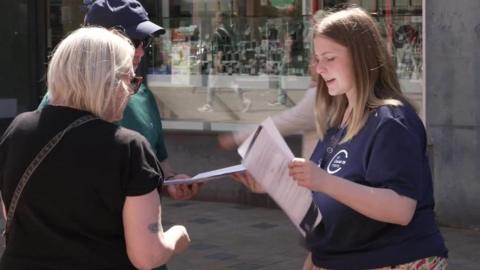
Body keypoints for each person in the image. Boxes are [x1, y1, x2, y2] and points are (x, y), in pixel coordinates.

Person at [235, 7, 448, 269]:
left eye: (329, 58)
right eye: (316, 59)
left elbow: (400, 208)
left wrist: (324, 181)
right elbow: (325, 191)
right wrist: (273, 184)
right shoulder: (340, 121)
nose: (319, 69)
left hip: (394, 259)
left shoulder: (391, 121)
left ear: (361, 57)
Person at [0, 27, 190, 269]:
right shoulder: (128, 148)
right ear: (107, 82)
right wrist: (178, 236)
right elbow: (147, 256)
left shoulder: (18, 130)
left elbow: (13, 215)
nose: (130, 92)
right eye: (129, 80)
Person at [38, 0, 202, 201]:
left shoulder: (143, 96)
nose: (141, 51)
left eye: (145, 41)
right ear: (98, 44)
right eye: (134, 41)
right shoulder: (58, 101)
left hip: (139, 226)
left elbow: (158, 160)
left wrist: (173, 181)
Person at [197, 11, 252, 113]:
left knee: (211, 83)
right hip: (228, 61)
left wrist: (218, 62)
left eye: (216, 17)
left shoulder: (218, 33)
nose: (214, 19)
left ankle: (209, 105)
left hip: (219, 62)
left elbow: (219, 49)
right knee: (231, 83)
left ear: (220, 19)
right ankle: (245, 100)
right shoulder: (228, 31)